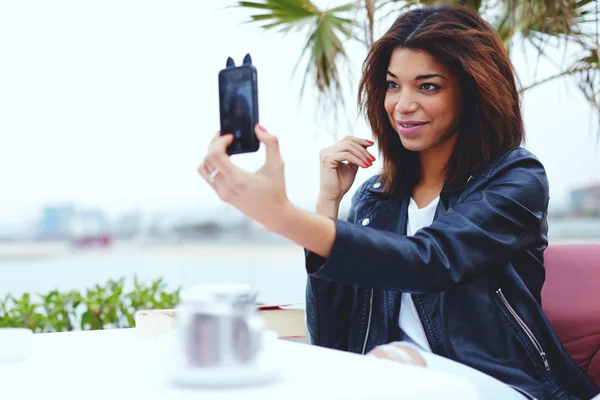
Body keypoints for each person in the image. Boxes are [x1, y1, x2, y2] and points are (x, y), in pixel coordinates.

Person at [198, 5, 600, 400]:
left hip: (501, 384)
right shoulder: (376, 199)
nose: (402, 105)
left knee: (393, 366)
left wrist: (282, 216)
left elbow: (429, 260)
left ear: (473, 92)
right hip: (394, 379)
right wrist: (327, 203)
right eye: (393, 85)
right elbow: (331, 339)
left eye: (428, 86)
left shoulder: (516, 179)